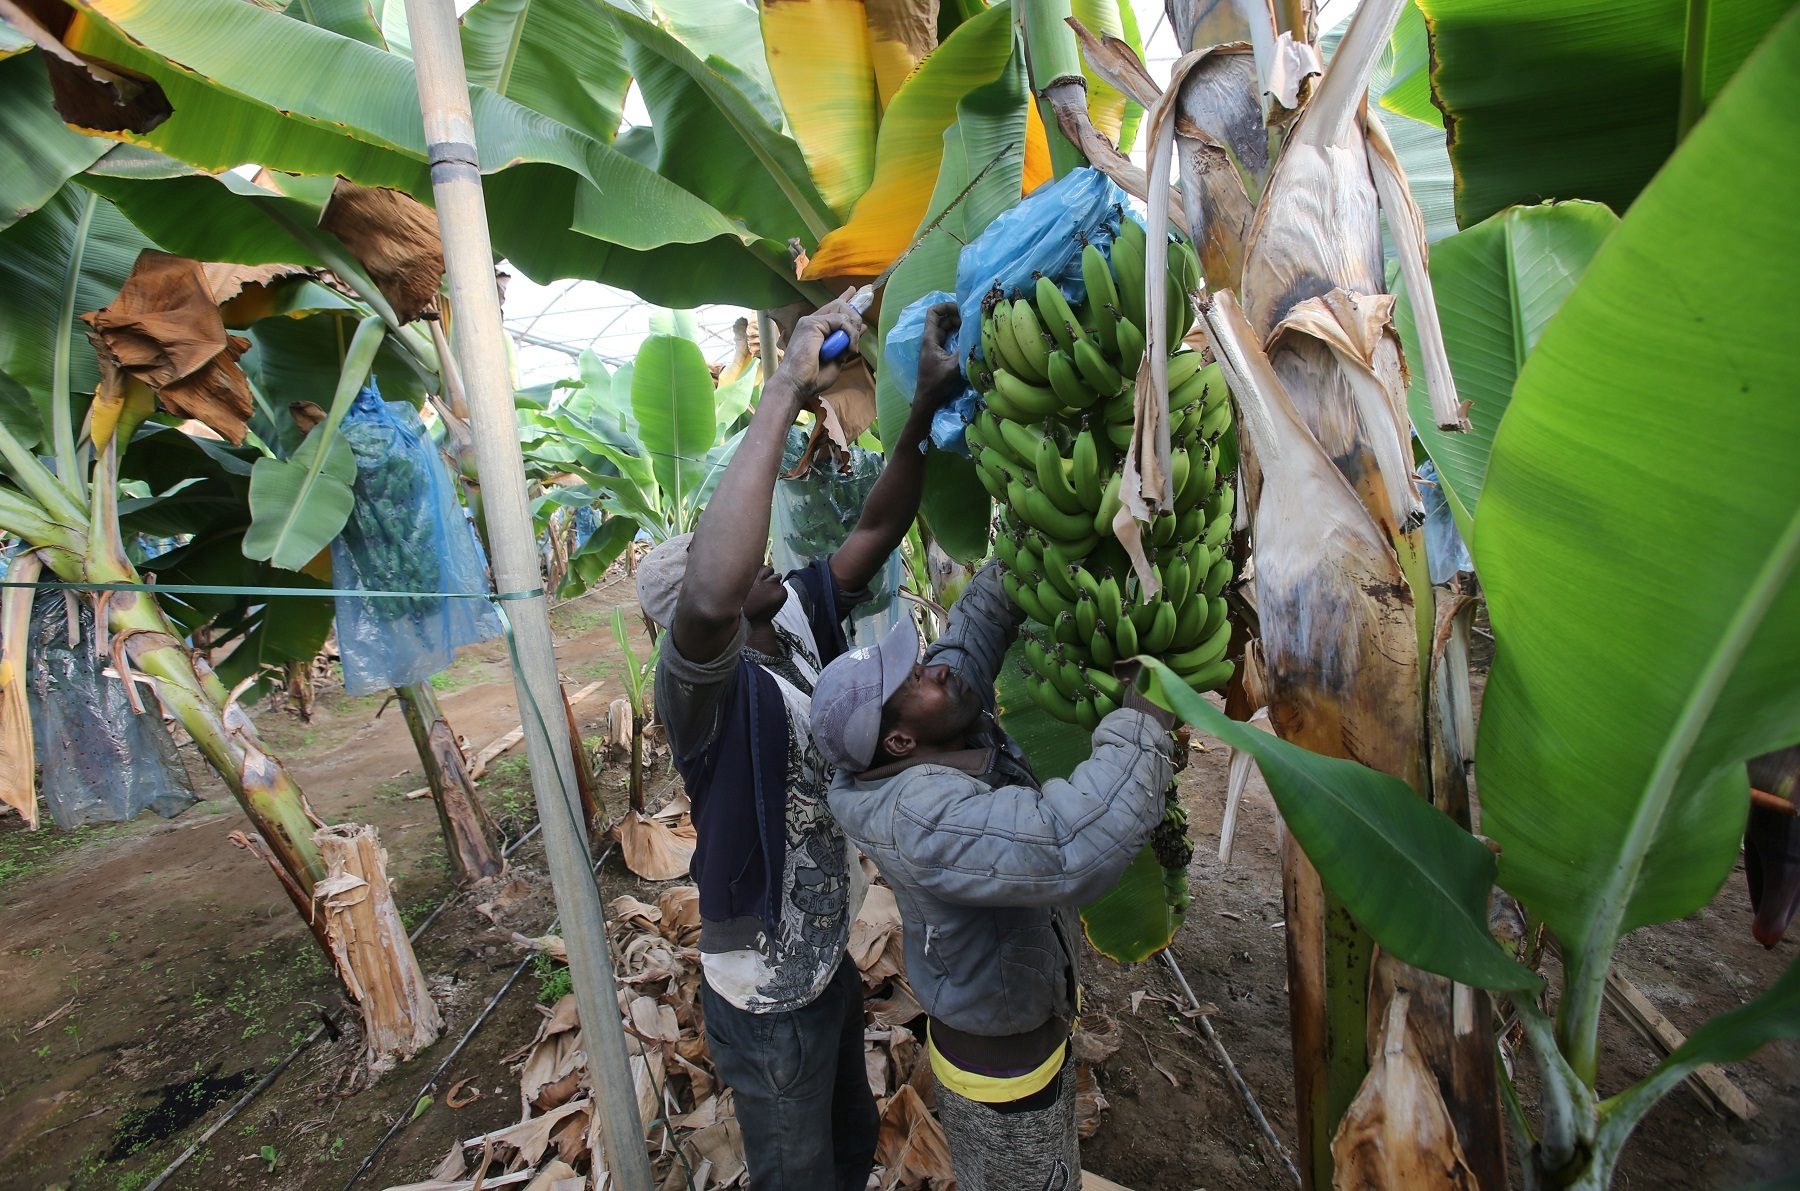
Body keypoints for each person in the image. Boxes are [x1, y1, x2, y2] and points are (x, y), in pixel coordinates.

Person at [639, 293, 964, 1191]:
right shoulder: (703, 698)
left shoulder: (790, 626)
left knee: (850, 1150)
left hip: (823, 967)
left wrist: (926, 412)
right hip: (766, 1001)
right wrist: (785, 383)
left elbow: (875, 530)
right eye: (743, 562)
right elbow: (708, 595)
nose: (767, 559)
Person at [809, 564, 1176, 1191]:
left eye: (920, 661)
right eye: (917, 679)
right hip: (1006, 1069)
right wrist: (1144, 720)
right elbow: (1070, 843)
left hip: (1033, 1020)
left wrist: (1019, 559)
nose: (938, 669)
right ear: (898, 742)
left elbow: (970, 636)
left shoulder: (930, 724)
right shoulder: (921, 817)